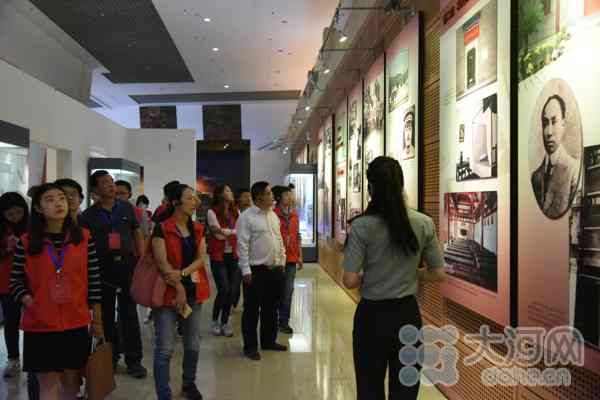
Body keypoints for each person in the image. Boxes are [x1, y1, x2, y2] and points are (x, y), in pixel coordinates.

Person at [342, 157, 445, 400]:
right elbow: (438, 273)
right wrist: (412, 275)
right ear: (401, 185)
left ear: (371, 187)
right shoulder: (423, 222)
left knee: (369, 389)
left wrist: (374, 275)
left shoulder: (362, 226)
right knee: (405, 390)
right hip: (407, 316)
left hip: (371, 318)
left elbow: (350, 280)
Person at [9, 183, 103, 400]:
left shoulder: (84, 238)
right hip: (40, 325)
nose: (58, 203)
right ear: (39, 208)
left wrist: (97, 320)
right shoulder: (26, 242)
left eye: (61, 198)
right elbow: (15, 282)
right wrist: (30, 301)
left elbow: (94, 281)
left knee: (72, 383)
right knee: (47, 384)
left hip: (76, 322)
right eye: (49, 200)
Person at [80, 170, 148, 378]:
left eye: (111, 181)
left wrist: (142, 260)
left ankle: (134, 360)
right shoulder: (88, 216)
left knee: (129, 314)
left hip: (127, 267)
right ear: (95, 189)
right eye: (105, 182)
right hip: (102, 270)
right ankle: (110, 357)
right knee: (106, 316)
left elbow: (137, 233)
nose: (111, 185)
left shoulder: (127, 208)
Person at [152, 183, 209, 400]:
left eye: (195, 198)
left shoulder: (197, 229)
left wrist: (183, 274)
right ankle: (163, 394)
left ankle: (188, 384)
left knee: (192, 345)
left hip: (193, 292)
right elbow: (161, 262)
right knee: (165, 349)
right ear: (176, 202)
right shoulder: (161, 228)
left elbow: (201, 258)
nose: (195, 202)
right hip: (166, 293)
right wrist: (178, 286)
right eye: (190, 198)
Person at [236, 182, 287, 361]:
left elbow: (279, 239)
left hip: (275, 269)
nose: (273, 196)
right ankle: (250, 346)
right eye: (269, 193)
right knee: (251, 310)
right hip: (255, 271)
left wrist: (282, 260)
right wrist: (245, 270)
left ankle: (268, 341)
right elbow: (242, 244)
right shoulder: (246, 217)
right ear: (259, 197)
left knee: (271, 308)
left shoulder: (272, 215)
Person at [531, 94, 580, 219]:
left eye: (554, 122)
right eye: (545, 123)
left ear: (563, 124)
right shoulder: (535, 177)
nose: (549, 132)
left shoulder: (574, 170)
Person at [0, 192, 29, 378]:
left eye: (18, 212)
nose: (15, 217)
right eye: (10, 214)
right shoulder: (2, 229)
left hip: (31, 281)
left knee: (34, 320)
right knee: (11, 321)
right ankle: (13, 358)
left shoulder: (33, 226)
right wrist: (6, 249)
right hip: (7, 283)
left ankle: (35, 357)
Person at [207, 185, 240, 337]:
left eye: (230, 190)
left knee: (232, 291)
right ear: (220, 194)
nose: (230, 192)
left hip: (233, 255)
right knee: (224, 289)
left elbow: (240, 231)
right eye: (227, 190)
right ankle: (215, 321)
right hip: (218, 256)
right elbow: (216, 233)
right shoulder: (211, 212)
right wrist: (232, 232)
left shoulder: (235, 211)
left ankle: (224, 323)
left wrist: (226, 231)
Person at [272, 186, 303, 335]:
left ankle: (284, 322)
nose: (290, 197)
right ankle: (273, 319)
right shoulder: (273, 215)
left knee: (288, 291)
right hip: (277, 259)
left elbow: (297, 236)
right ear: (279, 198)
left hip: (291, 258)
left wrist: (300, 255)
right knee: (277, 290)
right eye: (286, 195)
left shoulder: (295, 215)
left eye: (291, 195)